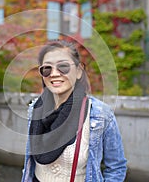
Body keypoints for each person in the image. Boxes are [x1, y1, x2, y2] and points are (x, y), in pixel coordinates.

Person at [21, 40, 127, 182]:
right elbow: (30, 166)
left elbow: (116, 167)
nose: (54, 74)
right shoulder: (35, 109)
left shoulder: (99, 114)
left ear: (78, 71)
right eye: (46, 69)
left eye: (63, 66)